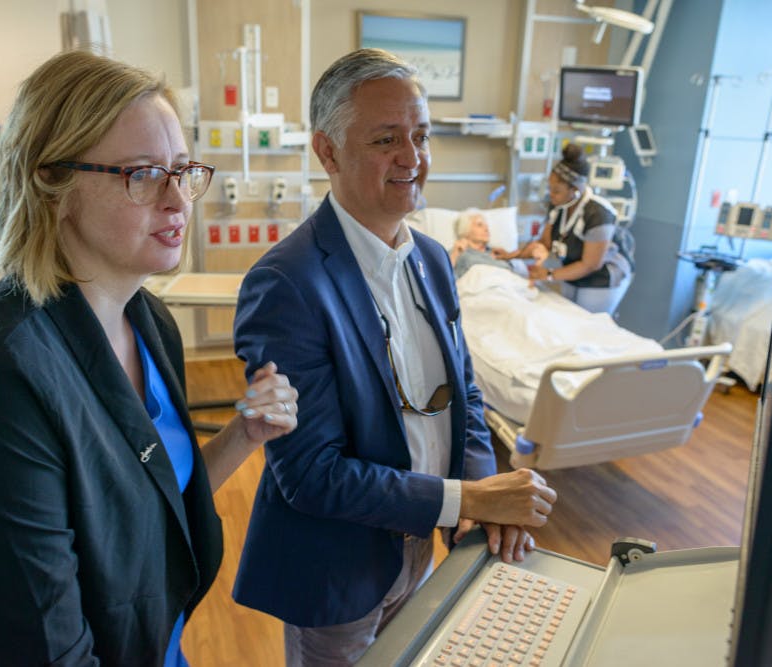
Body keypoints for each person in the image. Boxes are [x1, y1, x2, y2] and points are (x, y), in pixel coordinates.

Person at [0, 50, 298, 666]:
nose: (177, 200)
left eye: (182, 169)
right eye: (141, 173)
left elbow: (148, 502)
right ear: (50, 182)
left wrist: (243, 434)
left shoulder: (147, 321)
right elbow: (41, 649)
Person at [232, 48, 558, 666]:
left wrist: (484, 487)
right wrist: (470, 499)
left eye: (421, 136)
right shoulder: (288, 284)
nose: (412, 158)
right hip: (337, 566)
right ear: (327, 152)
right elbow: (310, 474)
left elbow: (464, 394)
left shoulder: (433, 260)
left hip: (423, 541)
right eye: (386, 139)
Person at [494, 143, 634, 315]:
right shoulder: (559, 206)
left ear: (575, 190)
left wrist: (549, 274)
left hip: (601, 277)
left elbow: (591, 265)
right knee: (568, 317)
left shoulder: (598, 214)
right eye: (550, 189)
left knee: (586, 323)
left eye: (556, 191)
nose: (551, 195)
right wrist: (511, 255)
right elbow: (544, 243)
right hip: (572, 271)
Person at [449, 208, 516, 278]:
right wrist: (455, 254)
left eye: (486, 225)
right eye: (479, 225)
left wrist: (508, 257)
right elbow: (446, 281)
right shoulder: (456, 253)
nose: (486, 229)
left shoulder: (498, 252)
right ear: (465, 230)